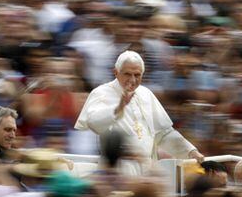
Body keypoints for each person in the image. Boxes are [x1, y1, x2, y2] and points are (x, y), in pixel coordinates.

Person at [75, 50, 203, 171]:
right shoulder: (101, 93)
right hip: (118, 169)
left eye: (137, 75)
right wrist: (118, 108)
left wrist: (190, 151)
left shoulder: (146, 93)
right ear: (116, 72)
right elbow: (94, 123)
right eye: (127, 74)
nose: (132, 80)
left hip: (147, 168)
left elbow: (164, 134)